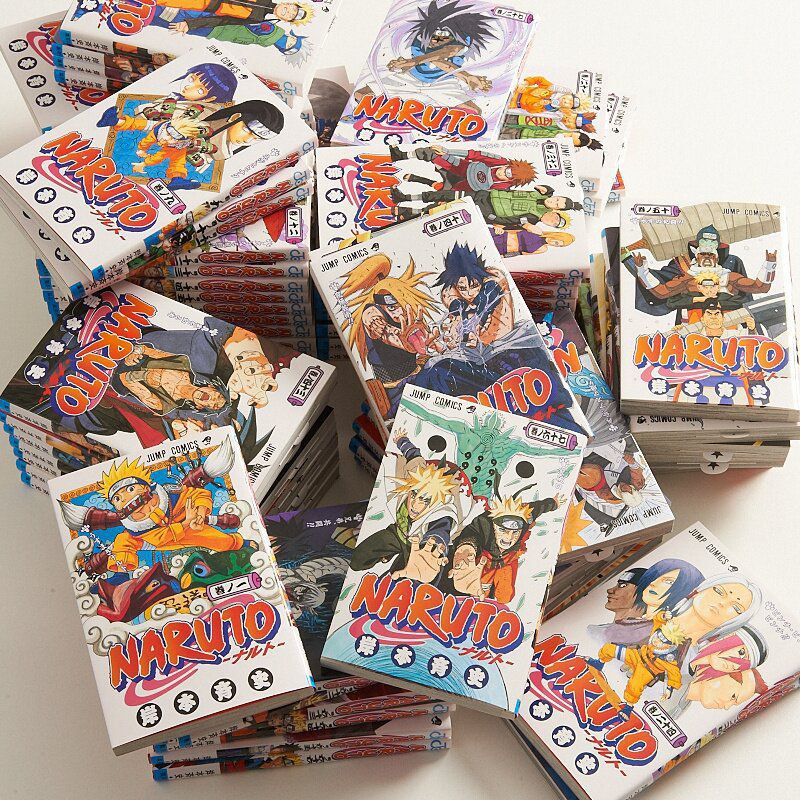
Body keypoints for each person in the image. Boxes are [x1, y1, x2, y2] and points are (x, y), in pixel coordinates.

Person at [587, 568, 654, 646]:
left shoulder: (653, 634)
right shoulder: (595, 631)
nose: (610, 590)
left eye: (622, 585)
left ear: (644, 593)